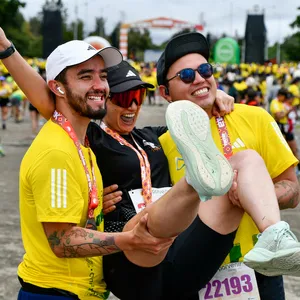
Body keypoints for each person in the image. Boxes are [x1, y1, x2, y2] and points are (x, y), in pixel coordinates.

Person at [2, 28, 300, 300]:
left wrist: (214, 95)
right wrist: (6, 48)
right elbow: (49, 98)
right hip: (132, 251)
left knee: (244, 160)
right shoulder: (93, 138)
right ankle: (200, 184)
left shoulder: (158, 138)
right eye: (123, 96)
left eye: (137, 96)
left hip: (183, 255)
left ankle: (274, 235)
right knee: (170, 205)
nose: (131, 104)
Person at [156, 32, 300, 300]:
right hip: (197, 272)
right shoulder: (162, 143)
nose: (199, 78)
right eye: (186, 75)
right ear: (165, 92)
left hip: (259, 269)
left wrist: (247, 195)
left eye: (205, 69)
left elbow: (293, 190)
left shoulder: (255, 117)